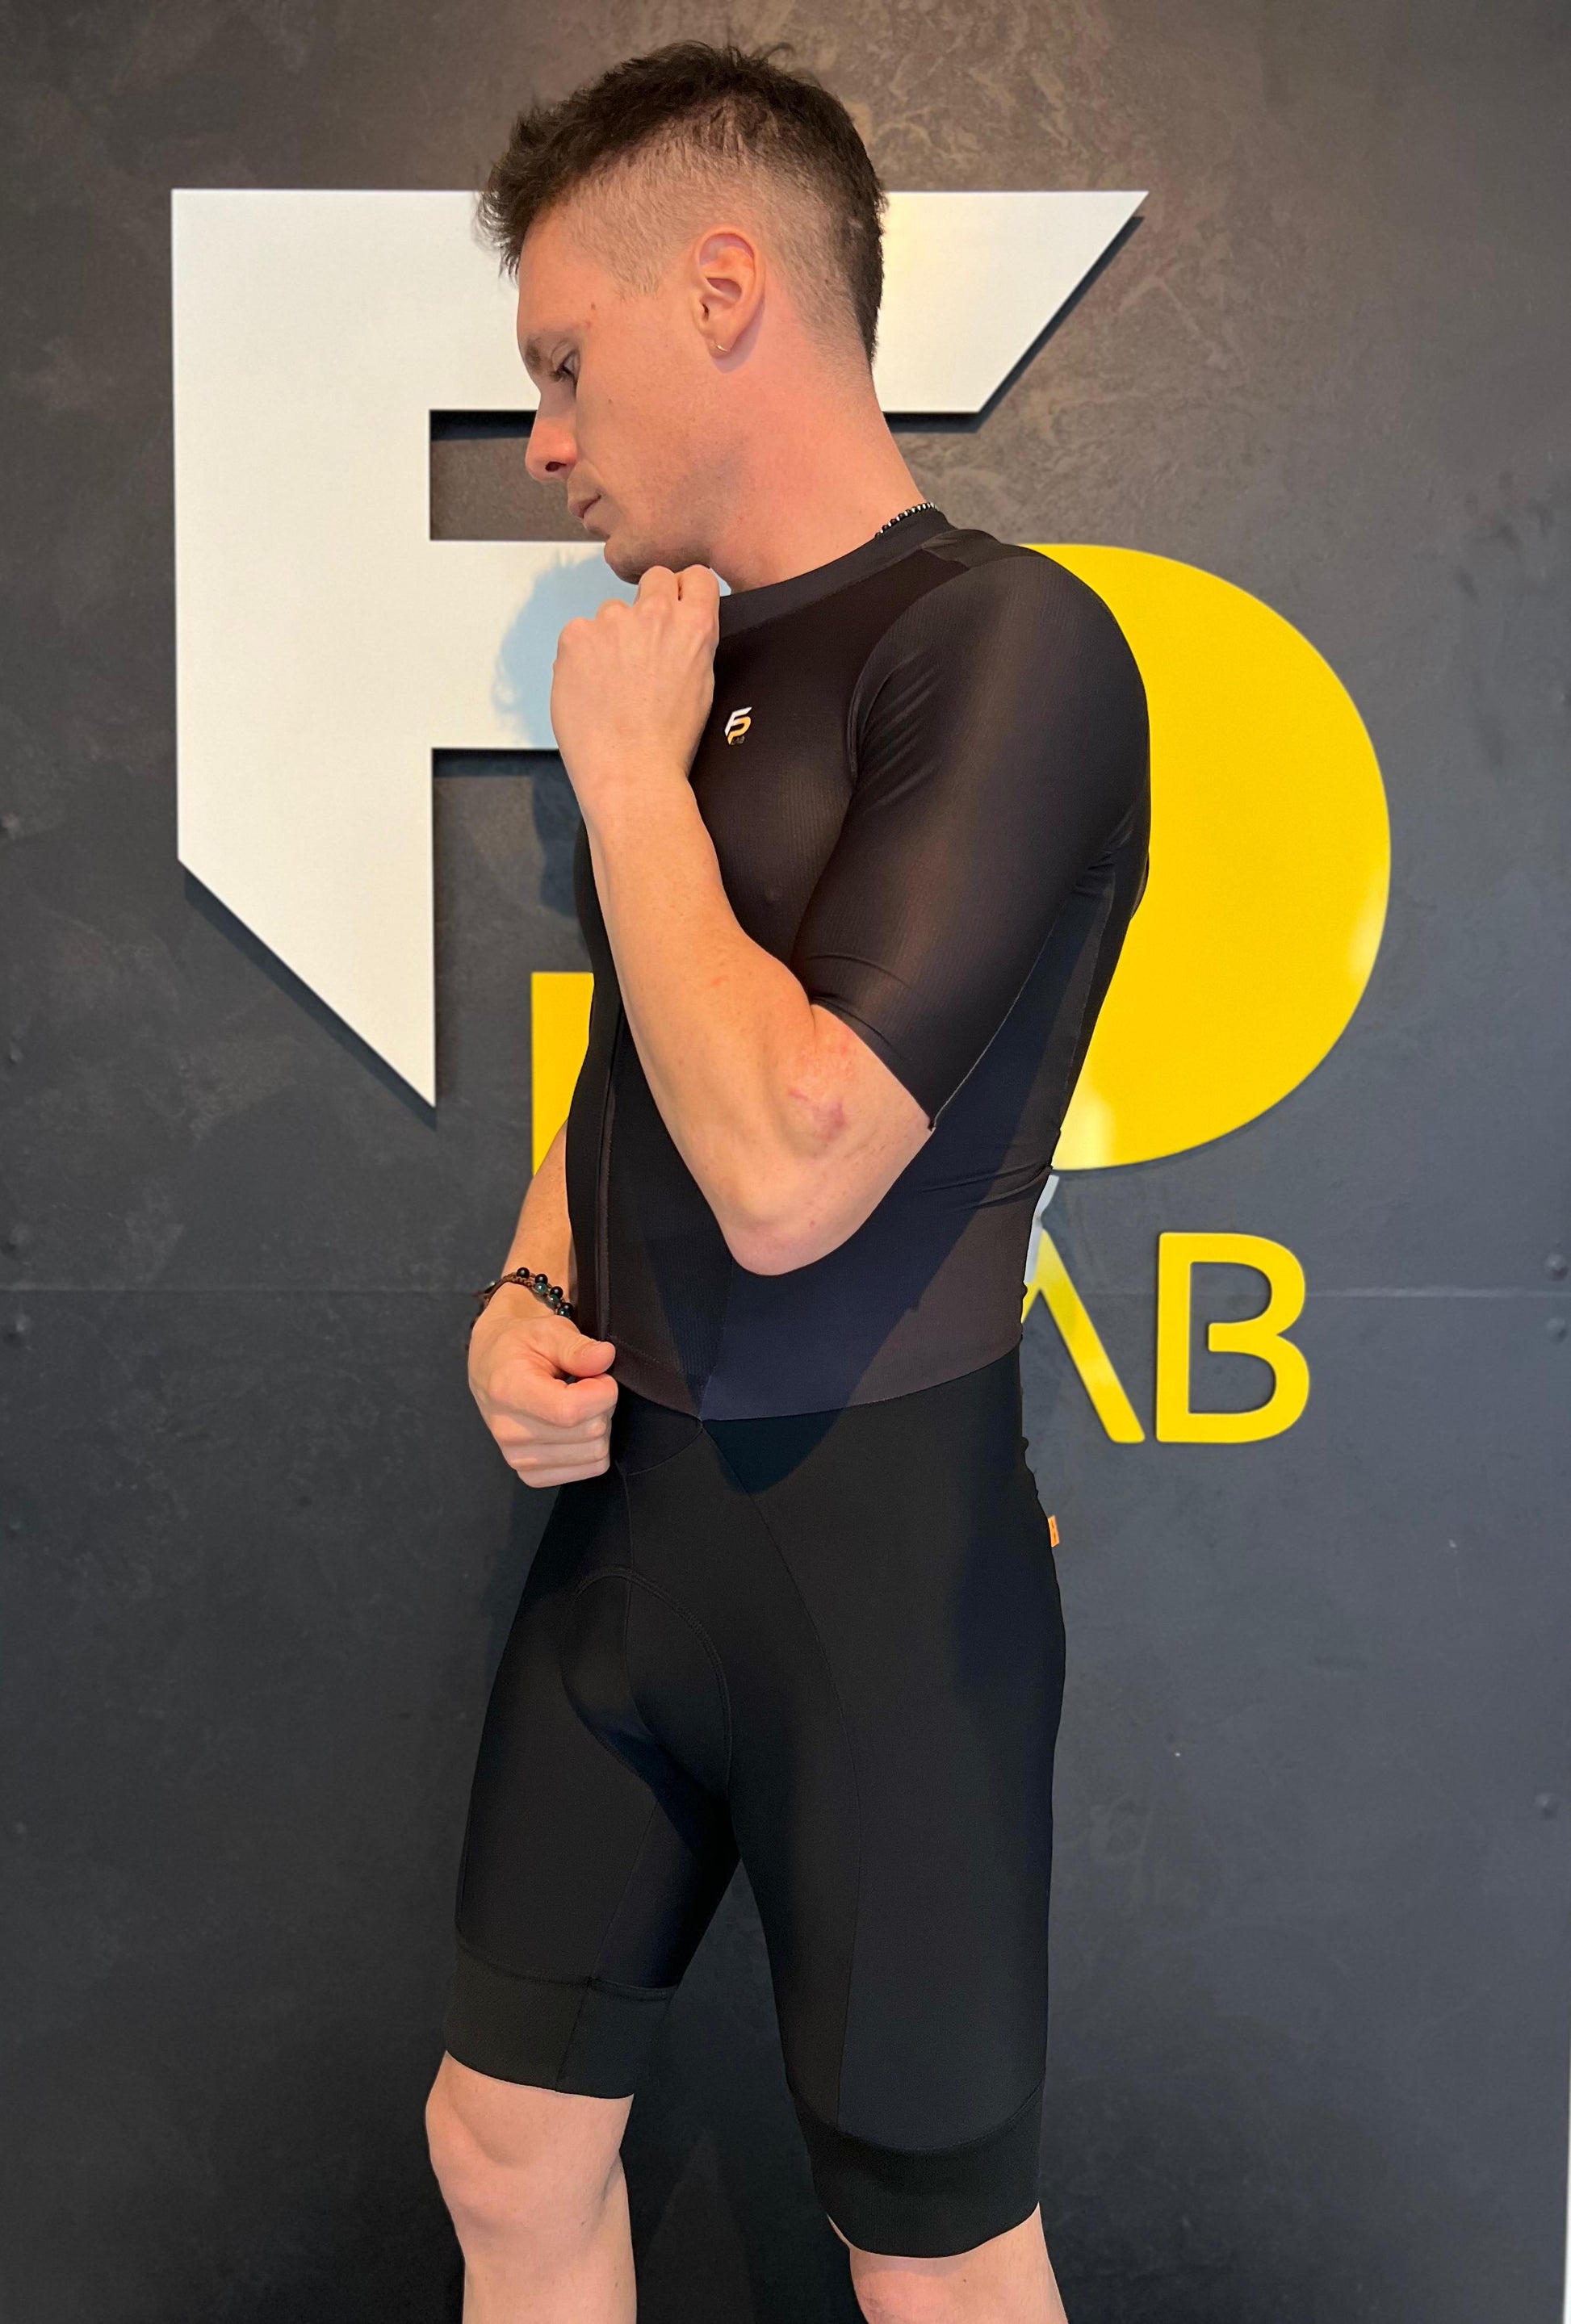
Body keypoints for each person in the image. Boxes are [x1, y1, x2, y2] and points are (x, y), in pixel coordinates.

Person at [424, 39, 1150, 2324]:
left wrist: (633, 789)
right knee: (503, 2155)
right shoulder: (681, 672)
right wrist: (519, 1295)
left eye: (565, 362)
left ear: (722, 289)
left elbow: (787, 1168)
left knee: (937, 2268)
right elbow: (634, 1077)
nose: (545, 441)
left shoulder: (1006, 645)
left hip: (877, 1590)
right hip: (622, 1561)